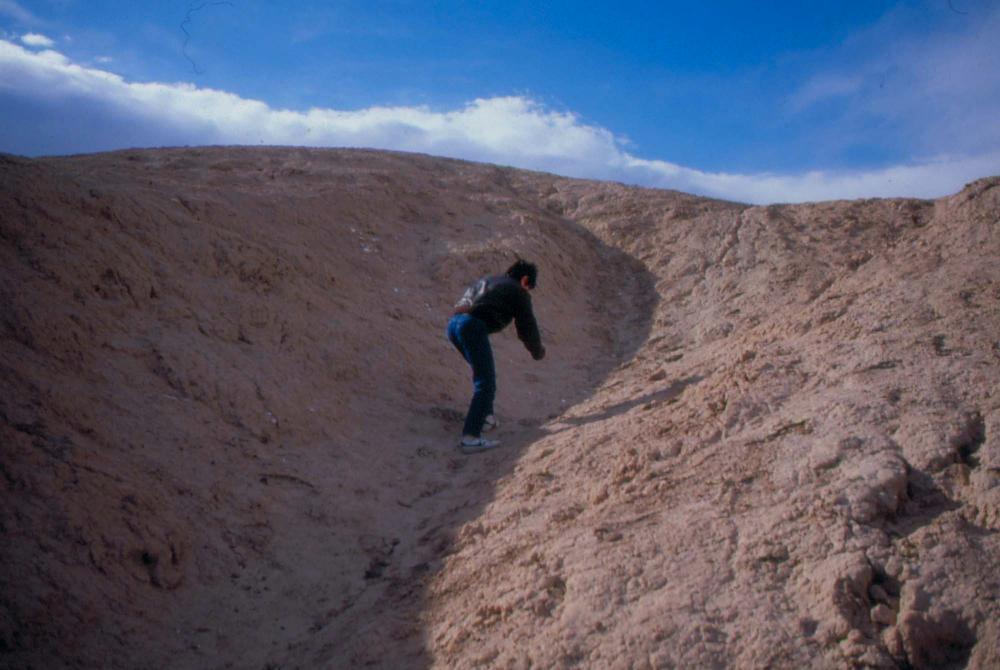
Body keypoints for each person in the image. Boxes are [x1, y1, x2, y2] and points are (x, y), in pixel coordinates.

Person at [447, 259, 546, 453]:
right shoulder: (518, 291)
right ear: (525, 280)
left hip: (453, 325)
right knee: (486, 382)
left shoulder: (490, 280)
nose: (528, 292)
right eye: (529, 287)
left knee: (484, 375)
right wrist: (537, 351)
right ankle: (470, 437)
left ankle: (487, 417)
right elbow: (527, 329)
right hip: (472, 327)